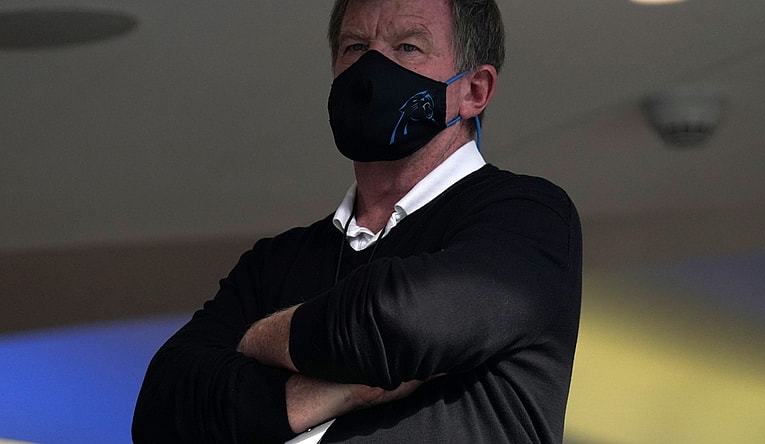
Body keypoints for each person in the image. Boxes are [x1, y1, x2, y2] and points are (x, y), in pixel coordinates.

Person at [132, 0, 582, 442]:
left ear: (474, 91)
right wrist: (329, 393)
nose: (371, 69)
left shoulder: (530, 216)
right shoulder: (274, 262)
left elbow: (394, 320)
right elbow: (161, 407)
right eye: (355, 47)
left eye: (407, 47)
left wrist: (257, 338)